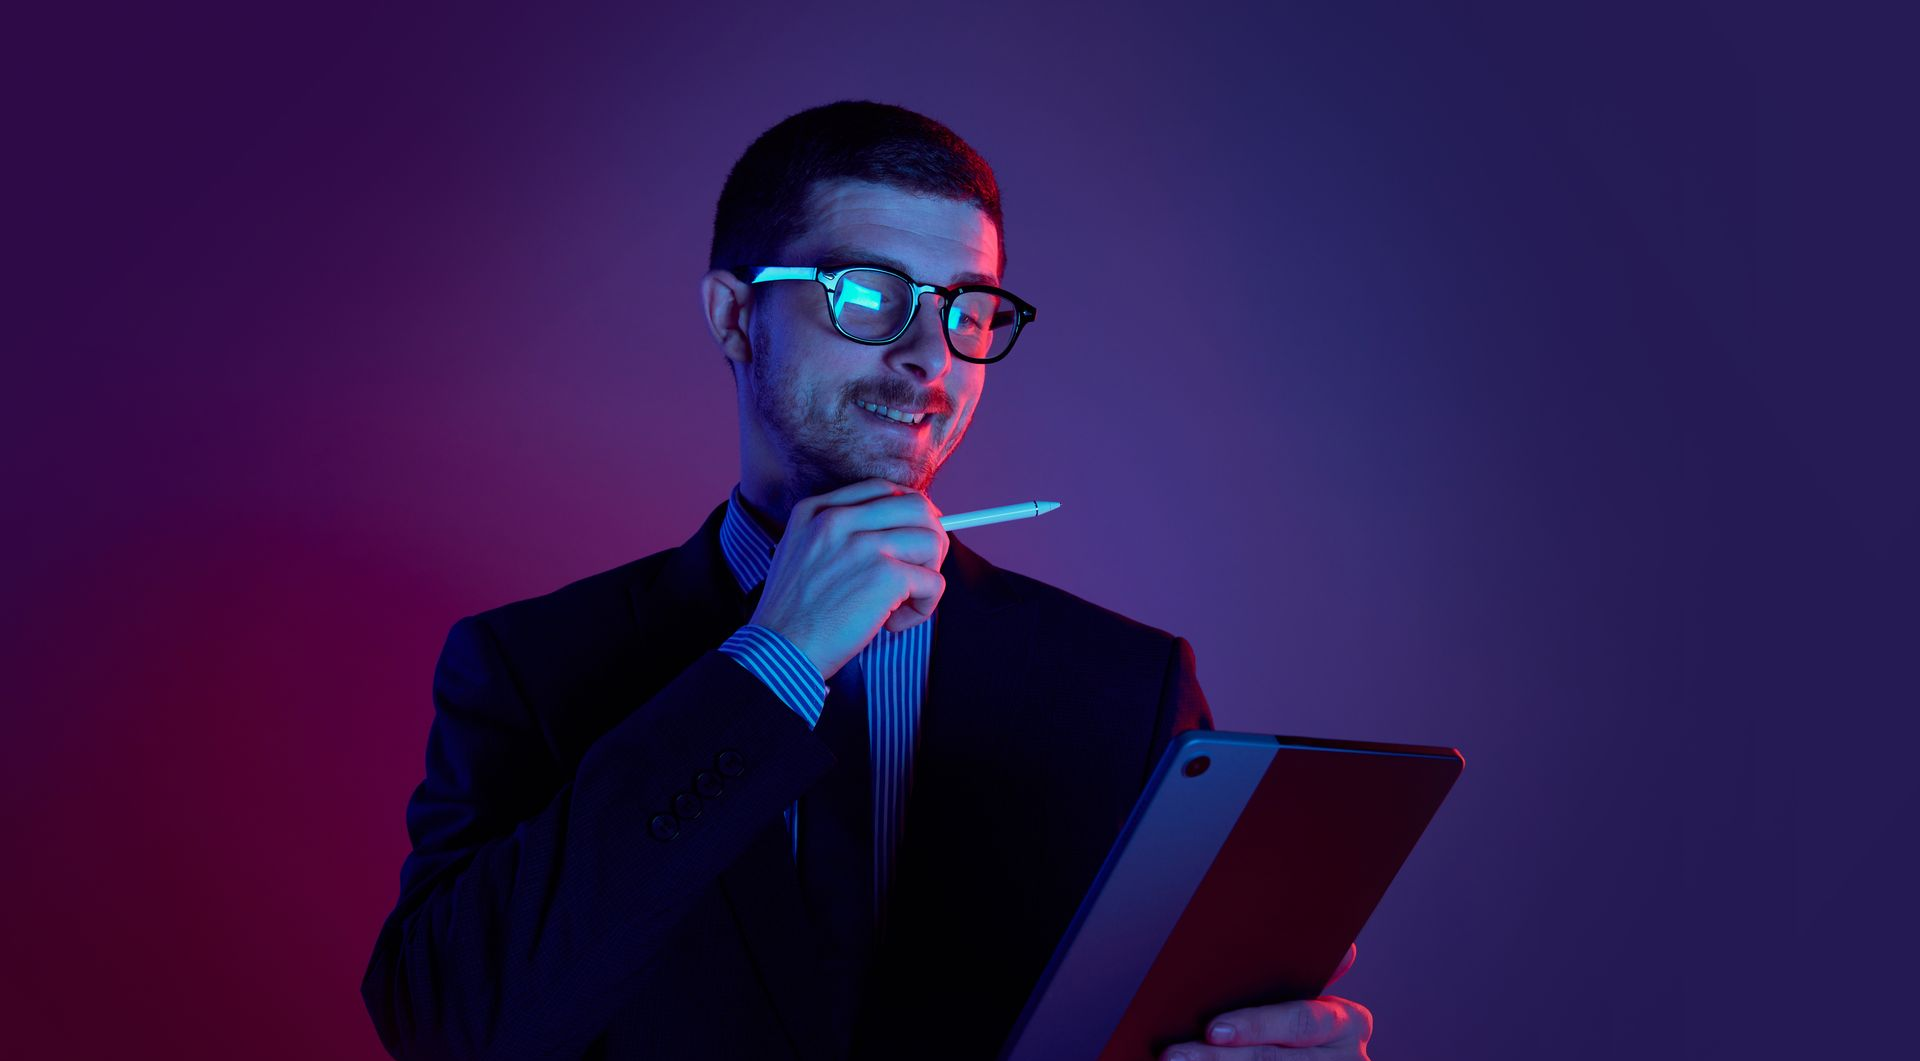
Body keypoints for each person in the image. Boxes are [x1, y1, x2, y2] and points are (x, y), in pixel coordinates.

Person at [359, 100, 1375, 1061]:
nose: (929, 356)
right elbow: (451, 1026)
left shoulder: (1125, 685)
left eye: (968, 308)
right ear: (735, 316)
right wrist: (775, 659)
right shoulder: (530, 665)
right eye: (868, 294)